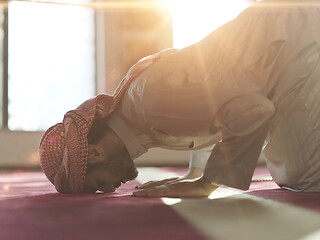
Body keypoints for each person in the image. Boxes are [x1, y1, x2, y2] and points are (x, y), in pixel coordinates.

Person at [39, 0, 320, 197]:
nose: (110, 189)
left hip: (295, 36)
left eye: (96, 184)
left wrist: (206, 185)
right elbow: (213, 110)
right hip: (282, 51)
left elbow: (253, 110)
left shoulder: (152, 105)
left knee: (304, 178)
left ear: (96, 154)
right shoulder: (138, 113)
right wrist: (196, 172)